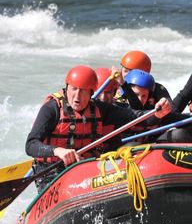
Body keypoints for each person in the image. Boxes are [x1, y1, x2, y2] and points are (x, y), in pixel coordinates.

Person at [26, 65, 171, 191]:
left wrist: (158, 114)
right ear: (67, 88)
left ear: (91, 93)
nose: (77, 96)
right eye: (74, 89)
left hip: (84, 168)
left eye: (83, 91)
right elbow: (31, 144)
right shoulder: (51, 109)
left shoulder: (100, 109)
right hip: (50, 171)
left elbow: (136, 118)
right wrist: (58, 151)